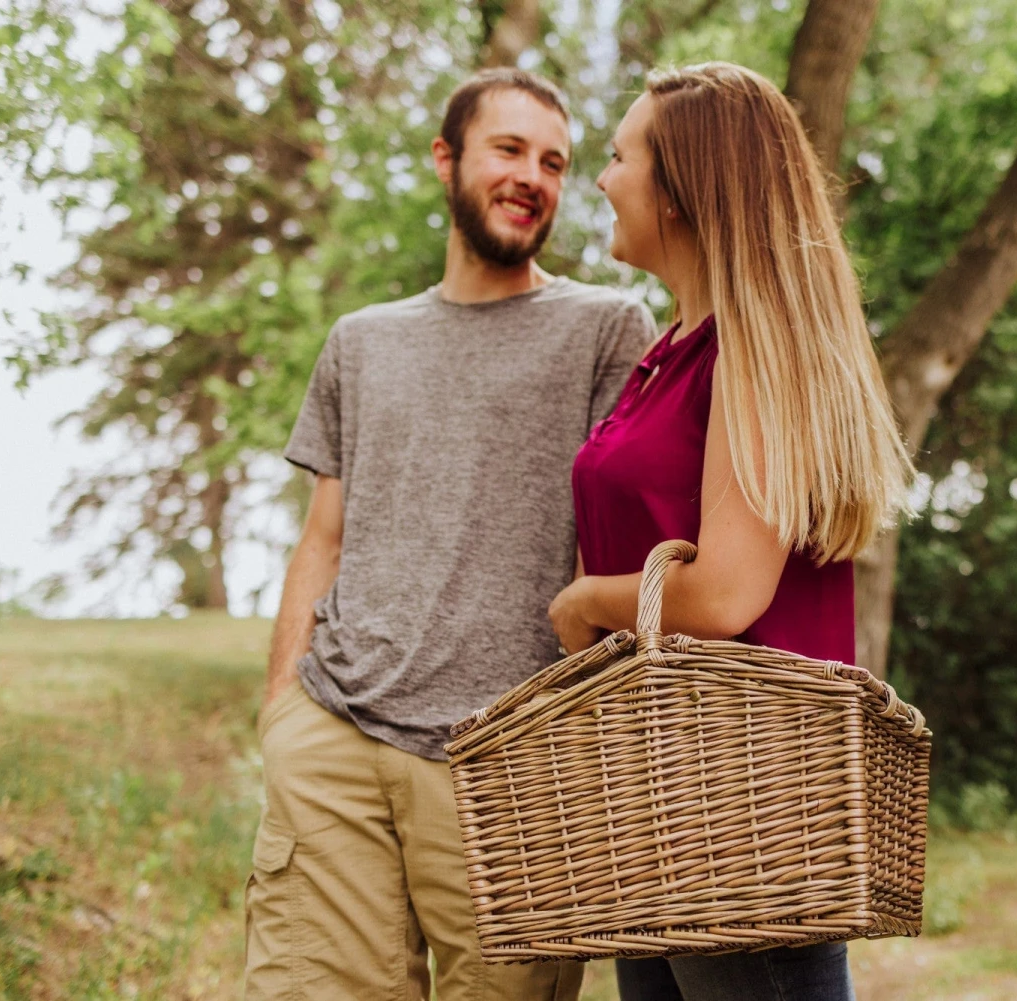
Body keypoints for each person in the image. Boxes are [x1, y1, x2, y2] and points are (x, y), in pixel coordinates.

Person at [246, 68, 655, 1001]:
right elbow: (324, 539)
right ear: (446, 159)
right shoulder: (361, 340)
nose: (533, 177)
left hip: (506, 762)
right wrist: (282, 711)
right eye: (508, 149)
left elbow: (613, 541)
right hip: (334, 739)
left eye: (554, 161)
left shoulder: (607, 328)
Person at [548, 62, 912, 1001]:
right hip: (662, 797)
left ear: (682, 190)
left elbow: (722, 594)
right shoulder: (666, 356)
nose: (600, 179)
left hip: (748, 810)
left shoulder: (750, 353)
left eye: (620, 156)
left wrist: (585, 601)